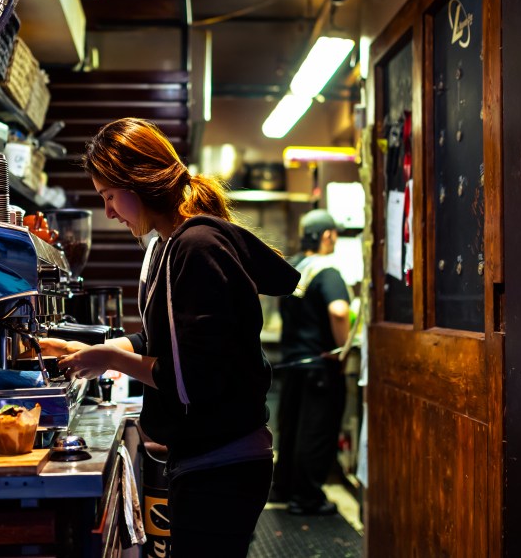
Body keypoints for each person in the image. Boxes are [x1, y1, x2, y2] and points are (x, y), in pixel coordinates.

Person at [40, 118, 299, 557]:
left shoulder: (196, 246)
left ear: (136, 183)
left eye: (108, 196)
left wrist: (113, 360)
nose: (109, 212)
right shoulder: (167, 246)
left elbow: (192, 380)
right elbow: (163, 341)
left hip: (224, 464)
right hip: (209, 459)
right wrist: (95, 354)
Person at [270, 209, 351, 516]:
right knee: (316, 431)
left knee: (290, 429)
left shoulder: (293, 266)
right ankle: (306, 498)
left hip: (293, 361)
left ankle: (284, 487)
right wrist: (342, 348)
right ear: (328, 235)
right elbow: (340, 311)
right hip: (320, 363)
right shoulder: (328, 271)